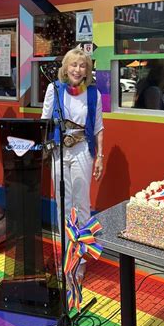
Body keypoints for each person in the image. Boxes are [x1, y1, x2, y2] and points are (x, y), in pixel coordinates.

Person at [41, 47, 104, 281]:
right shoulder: (54, 89)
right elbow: (45, 121)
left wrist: (100, 156)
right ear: (66, 68)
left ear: (87, 70)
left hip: (82, 151)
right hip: (59, 150)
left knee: (82, 205)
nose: (78, 69)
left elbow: (98, 127)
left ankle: (80, 260)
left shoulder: (93, 94)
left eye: (82, 66)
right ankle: (67, 257)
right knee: (63, 206)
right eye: (74, 65)